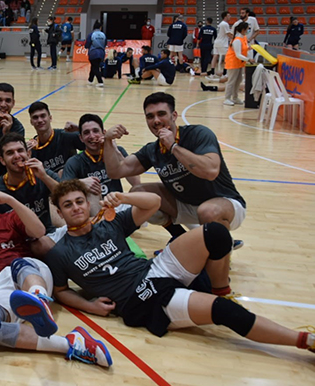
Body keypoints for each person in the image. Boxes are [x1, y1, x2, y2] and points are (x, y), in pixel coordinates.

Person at [46, 179, 315, 356]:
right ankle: (304, 340)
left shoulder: (109, 223)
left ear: (88, 202)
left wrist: (124, 197)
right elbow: (60, 291)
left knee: (216, 234)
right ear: (59, 212)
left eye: (79, 201)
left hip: (155, 269)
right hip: (141, 297)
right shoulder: (60, 252)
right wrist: (90, 306)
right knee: (225, 312)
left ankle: (221, 290)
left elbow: (154, 202)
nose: (76, 208)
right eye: (68, 205)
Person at [0, 174, 112, 367]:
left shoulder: (9, 217)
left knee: (17, 264)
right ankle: (70, 344)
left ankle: (38, 298)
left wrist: (10, 200)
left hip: (30, 272)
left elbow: (39, 231)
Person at [103, 91, 246, 262]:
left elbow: (210, 171)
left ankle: (218, 258)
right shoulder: (152, 150)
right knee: (139, 193)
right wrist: (108, 141)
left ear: (174, 115)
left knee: (207, 211)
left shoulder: (198, 134)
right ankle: (180, 236)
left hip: (224, 204)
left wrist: (173, 147)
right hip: (187, 205)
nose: (156, 120)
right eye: (150, 116)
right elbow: (116, 171)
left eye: (161, 114)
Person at [0, 133, 60, 234]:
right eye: (10, 153)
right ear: (2, 160)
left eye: (20, 150)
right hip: (16, 241)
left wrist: (44, 177)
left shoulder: (43, 174)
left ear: (28, 154)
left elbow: (66, 196)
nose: (17, 156)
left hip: (48, 234)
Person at [62, 113, 139, 205]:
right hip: (92, 208)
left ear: (104, 133)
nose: (92, 136)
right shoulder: (74, 162)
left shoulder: (118, 151)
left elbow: (136, 183)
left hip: (117, 205)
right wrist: (80, 183)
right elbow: (62, 190)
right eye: (86, 133)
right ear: (81, 138)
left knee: (138, 192)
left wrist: (114, 150)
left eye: (95, 131)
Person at [26, 101, 85, 175]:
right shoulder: (32, 149)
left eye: (43, 116)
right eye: (35, 117)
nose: (40, 120)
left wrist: (80, 129)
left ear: (50, 118)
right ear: (31, 122)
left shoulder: (66, 136)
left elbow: (94, 146)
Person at [224, 22, 253, 106]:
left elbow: (243, 48)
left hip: (240, 63)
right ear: (243, 30)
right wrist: (248, 59)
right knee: (231, 81)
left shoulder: (243, 38)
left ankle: (235, 97)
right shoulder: (237, 40)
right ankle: (227, 98)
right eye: (248, 29)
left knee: (238, 80)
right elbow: (238, 54)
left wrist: (249, 48)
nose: (248, 30)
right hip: (233, 62)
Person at [209, 11, 231, 80]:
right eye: (229, 16)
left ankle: (212, 73)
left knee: (215, 56)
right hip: (222, 43)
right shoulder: (225, 24)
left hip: (217, 42)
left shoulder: (221, 23)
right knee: (227, 57)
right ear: (225, 17)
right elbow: (228, 34)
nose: (230, 17)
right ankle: (225, 73)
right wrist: (236, 38)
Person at [84, 20, 106, 86]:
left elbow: (87, 45)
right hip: (101, 53)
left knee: (95, 68)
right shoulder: (103, 35)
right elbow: (105, 44)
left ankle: (100, 82)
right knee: (94, 66)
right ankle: (90, 80)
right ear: (100, 27)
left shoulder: (91, 34)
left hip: (93, 53)